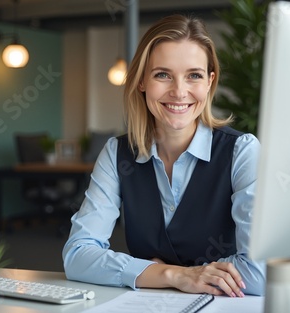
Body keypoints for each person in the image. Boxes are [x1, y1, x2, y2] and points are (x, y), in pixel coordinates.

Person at [62, 14, 265, 297]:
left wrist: (145, 272)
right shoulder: (118, 154)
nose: (179, 91)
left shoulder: (242, 151)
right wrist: (175, 275)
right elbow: (77, 257)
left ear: (209, 82)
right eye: (162, 75)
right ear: (142, 81)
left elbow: (258, 273)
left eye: (193, 75)